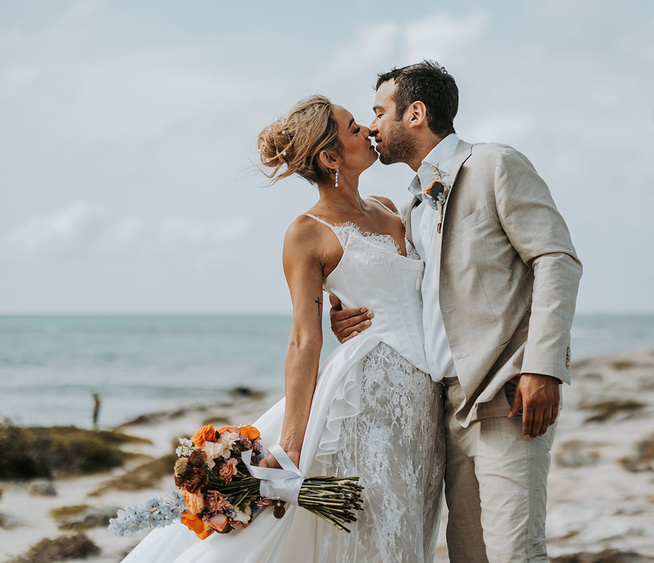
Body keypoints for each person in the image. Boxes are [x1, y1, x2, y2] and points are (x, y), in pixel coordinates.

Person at [122, 95, 444, 562]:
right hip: (368, 397)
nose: (368, 131)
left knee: (413, 521)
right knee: (375, 528)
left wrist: (346, 312)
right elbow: (303, 338)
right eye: (355, 128)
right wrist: (290, 446)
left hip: (426, 395)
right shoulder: (305, 233)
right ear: (330, 157)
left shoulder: (390, 207)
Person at [331, 61, 582, 562]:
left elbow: (556, 259)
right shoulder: (406, 209)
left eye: (379, 113)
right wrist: (346, 320)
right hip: (441, 411)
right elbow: (411, 299)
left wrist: (542, 366)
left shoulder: (495, 165)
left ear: (416, 114)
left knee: (516, 553)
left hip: (507, 397)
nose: (372, 125)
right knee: (470, 554)